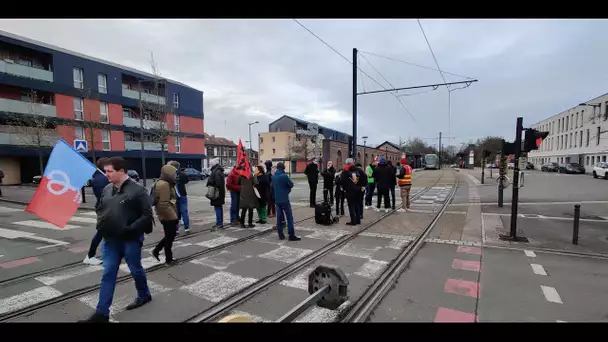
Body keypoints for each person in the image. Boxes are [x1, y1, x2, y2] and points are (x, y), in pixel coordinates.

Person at [80, 157, 153, 323]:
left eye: (109, 171)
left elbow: (147, 215)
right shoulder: (107, 189)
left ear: (121, 171)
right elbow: (99, 206)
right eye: (105, 171)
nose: (106, 174)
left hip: (130, 239)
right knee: (108, 273)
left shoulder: (138, 190)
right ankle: (101, 314)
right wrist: (102, 220)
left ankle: (144, 294)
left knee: (135, 269)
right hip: (110, 239)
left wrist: (129, 229)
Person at [83, 157, 110, 266]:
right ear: (104, 166)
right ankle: (90, 256)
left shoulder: (100, 177)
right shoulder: (102, 179)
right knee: (101, 232)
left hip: (104, 207)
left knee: (109, 231)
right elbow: (105, 195)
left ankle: (114, 252)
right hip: (105, 208)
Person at [151, 164, 179, 266]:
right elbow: (163, 204)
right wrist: (174, 217)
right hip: (167, 216)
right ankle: (168, 259)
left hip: (167, 214)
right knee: (169, 237)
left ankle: (158, 251)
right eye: (174, 174)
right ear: (168, 174)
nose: (175, 176)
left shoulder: (165, 183)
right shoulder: (164, 185)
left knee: (169, 236)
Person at [273, 162, 300, 241]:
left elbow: (273, 186)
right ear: (283, 168)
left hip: (277, 200)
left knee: (279, 217)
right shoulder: (284, 176)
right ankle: (291, 235)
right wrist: (287, 190)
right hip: (284, 199)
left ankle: (280, 234)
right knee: (289, 217)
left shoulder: (274, 176)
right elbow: (291, 184)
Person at [167, 161, 190, 234]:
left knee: (175, 213)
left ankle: (176, 229)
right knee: (184, 211)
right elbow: (186, 180)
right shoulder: (182, 174)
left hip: (173, 196)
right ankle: (187, 228)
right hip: (182, 194)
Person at [341, 158, 363, 225]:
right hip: (357, 190)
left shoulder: (345, 171)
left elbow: (343, 181)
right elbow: (358, 179)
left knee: (351, 206)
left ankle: (353, 221)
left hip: (349, 191)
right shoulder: (356, 170)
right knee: (357, 205)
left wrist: (344, 188)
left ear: (347, 163)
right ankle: (358, 220)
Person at [207, 158, 226, 229]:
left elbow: (218, 183)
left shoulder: (216, 171)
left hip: (216, 193)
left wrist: (210, 183)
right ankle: (219, 223)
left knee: (218, 208)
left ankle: (219, 223)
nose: (210, 165)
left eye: (211, 163)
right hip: (219, 193)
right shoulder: (218, 170)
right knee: (219, 208)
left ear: (214, 164)